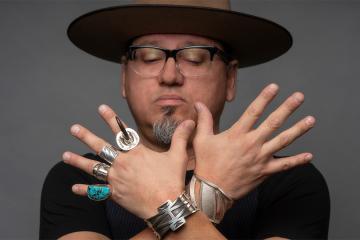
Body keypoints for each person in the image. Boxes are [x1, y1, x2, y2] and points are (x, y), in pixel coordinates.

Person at [40, 0, 330, 239]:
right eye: (149, 57)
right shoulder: (84, 180)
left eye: (194, 57)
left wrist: (167, 204)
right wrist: (207, 194)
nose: (169, 76)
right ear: (124, 79)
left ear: (230, 79)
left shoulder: (288, 181)